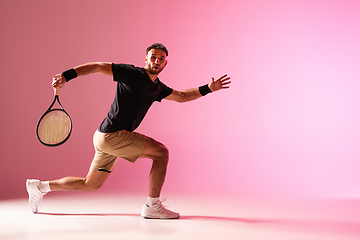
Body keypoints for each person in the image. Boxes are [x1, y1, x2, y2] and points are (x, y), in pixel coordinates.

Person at [26, 43, 231, 219]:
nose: (157, 61)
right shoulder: (132, 73)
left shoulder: (157, 87)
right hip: (112, 135)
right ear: (146, 59)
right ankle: (152, 206)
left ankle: (40, 187)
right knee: (161, 153)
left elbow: (181, 96)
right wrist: (65, 76)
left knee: (90, 184)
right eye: (153, 57)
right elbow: (97, 66)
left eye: (161, 59)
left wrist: (208, 89)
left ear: (165, 63)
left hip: (103, 137)